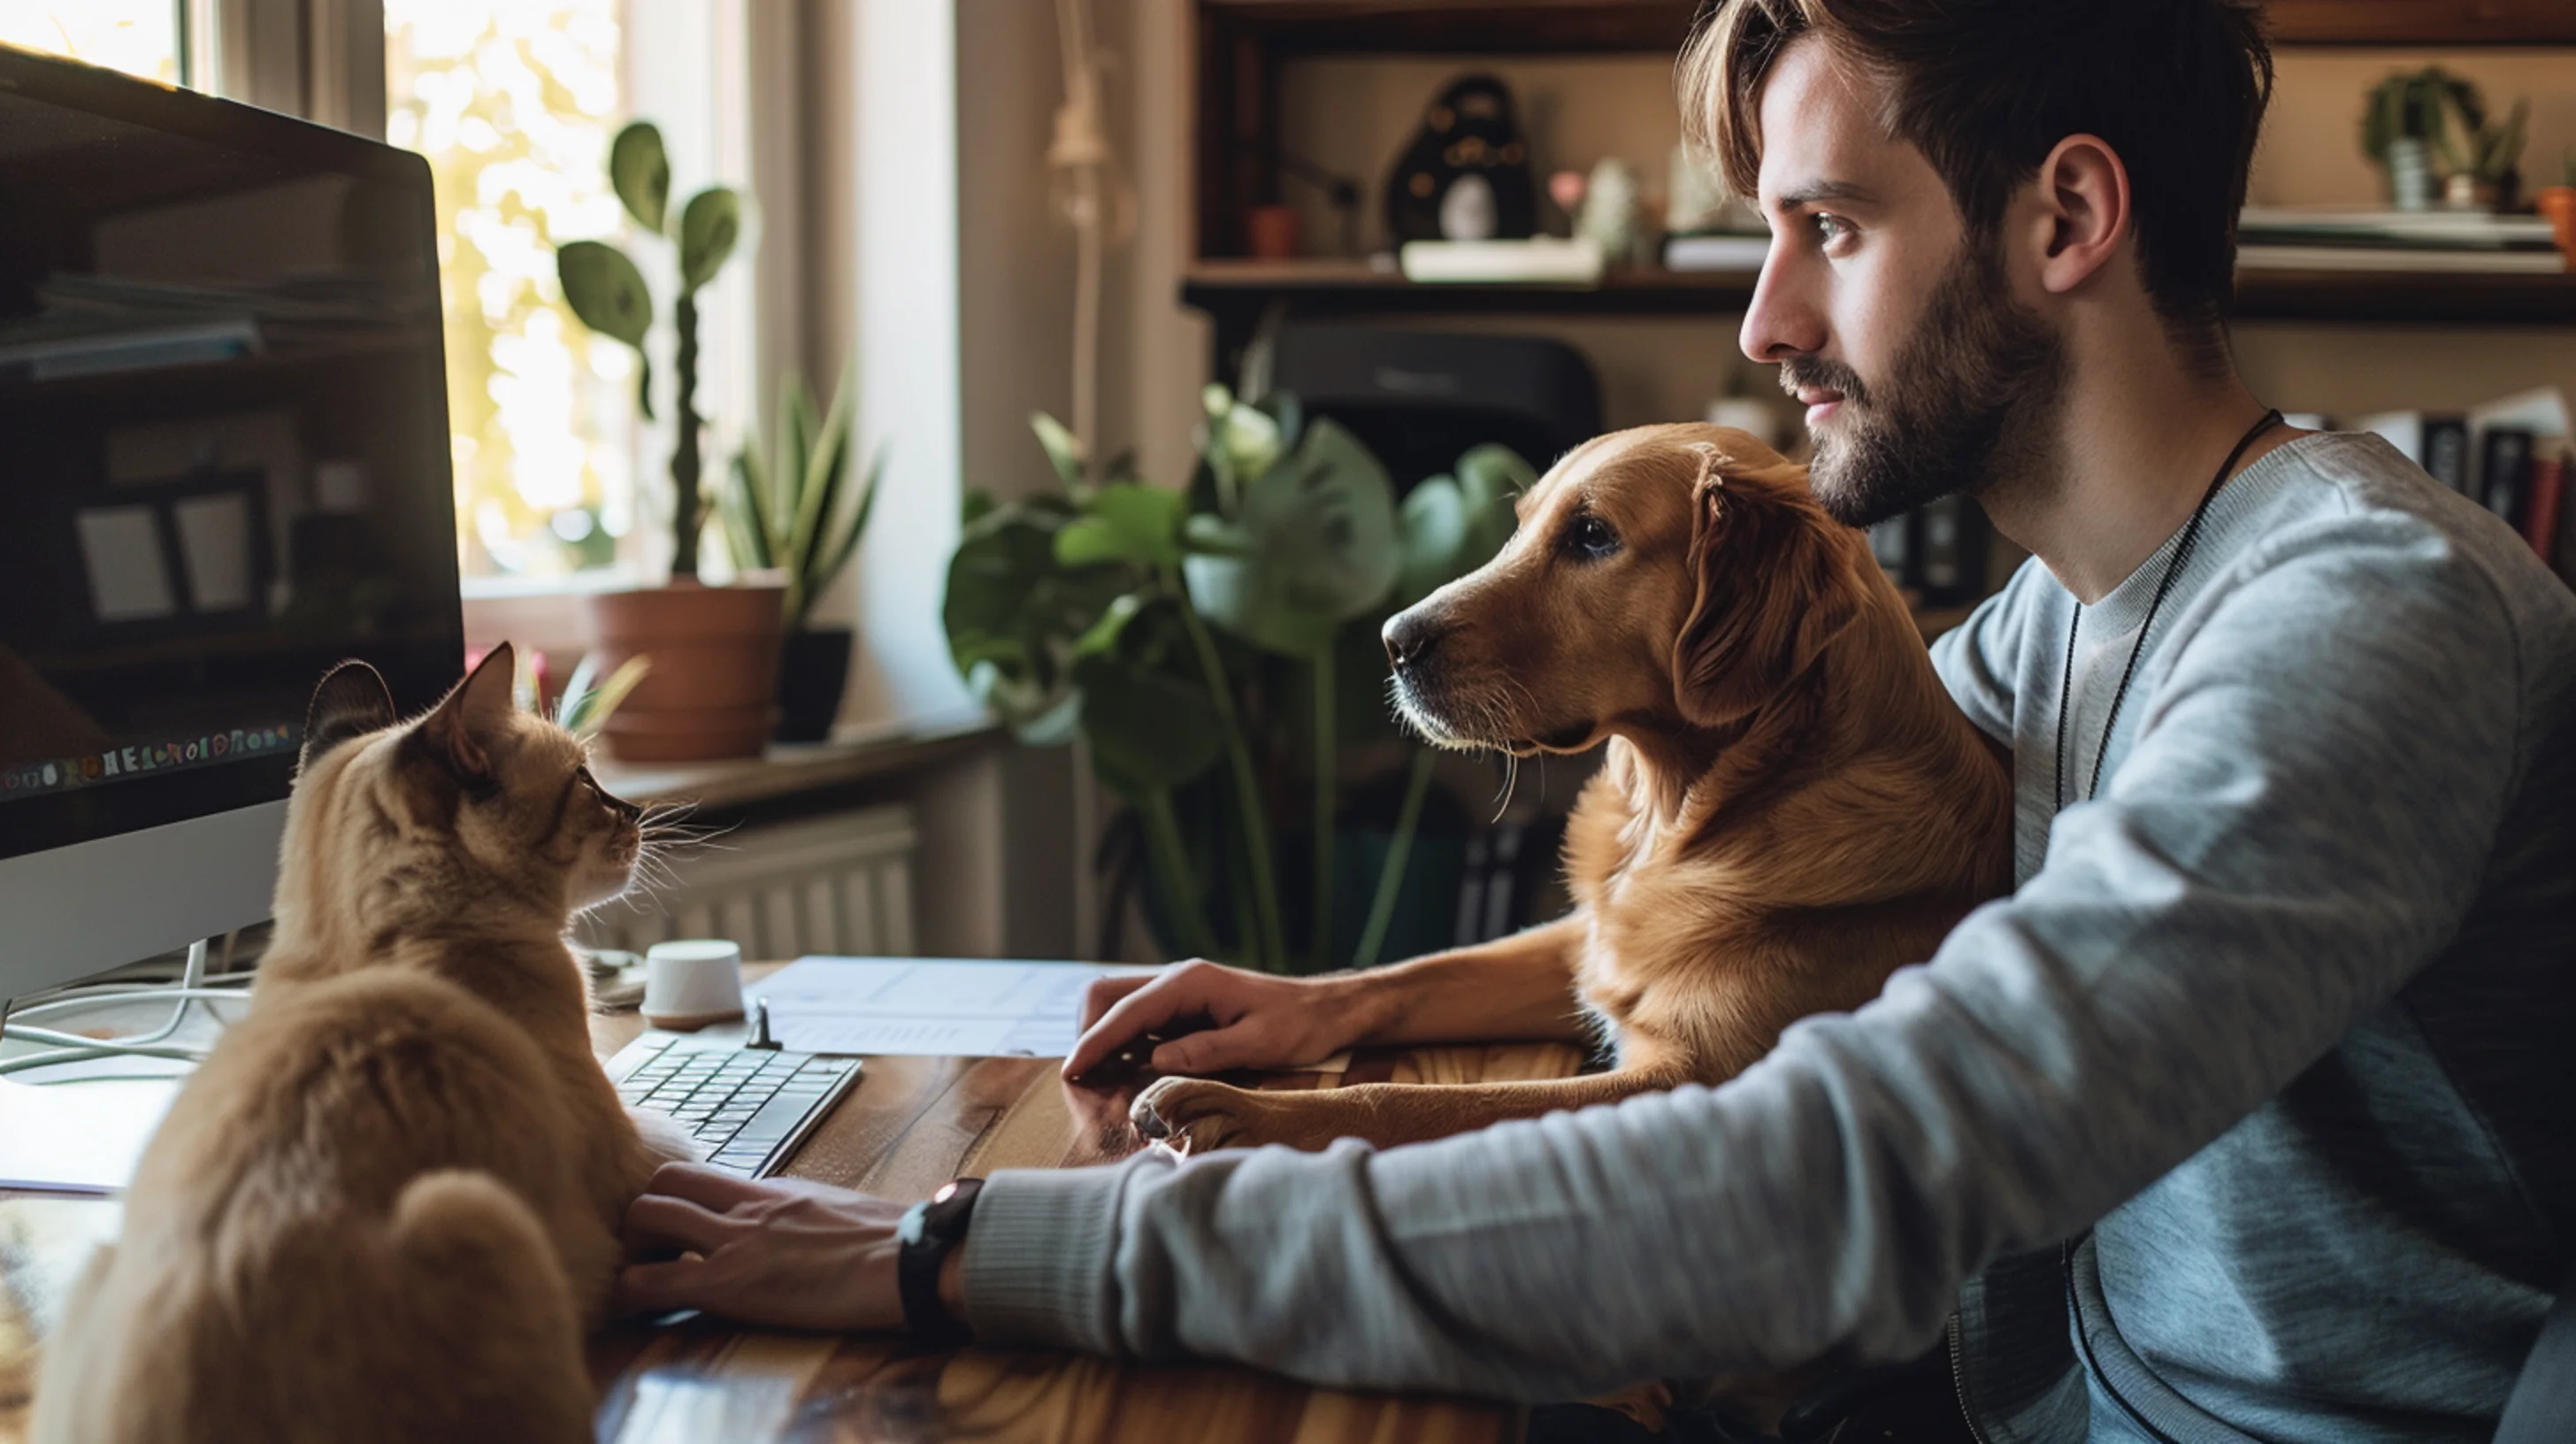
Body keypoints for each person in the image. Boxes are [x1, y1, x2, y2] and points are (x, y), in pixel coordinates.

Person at [615, 2, 2576, 1439]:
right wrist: (1332, 1013)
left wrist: (974, 1250)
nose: (1764, 323)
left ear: (2066, 216)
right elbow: (1755, 908)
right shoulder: (2057, 626)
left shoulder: (2356, 623)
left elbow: (1841, 1169)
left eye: (1830, 229)